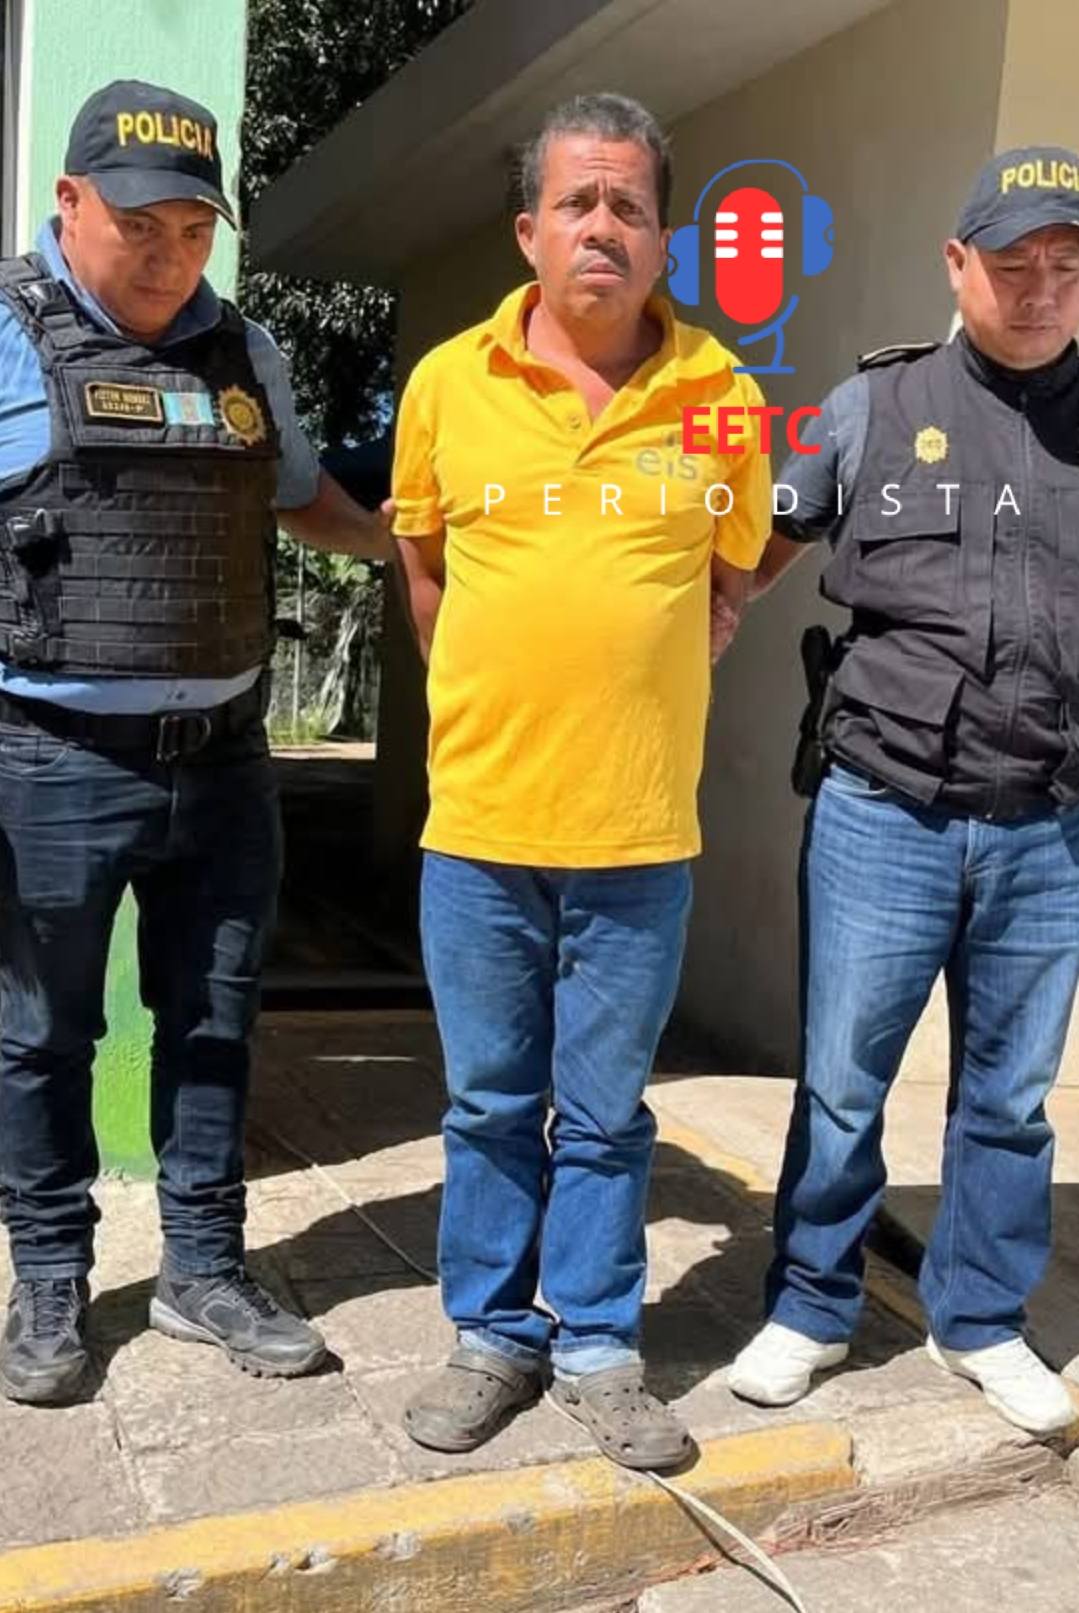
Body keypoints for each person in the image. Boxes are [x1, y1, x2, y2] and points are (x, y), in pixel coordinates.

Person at [392, 93, 770, 1470]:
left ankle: (601, 1345)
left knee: (607, 1113)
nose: (601, 225)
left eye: (628, 205)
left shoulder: (724, 397)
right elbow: (423, 571)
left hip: (638, 830)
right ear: (529, 231)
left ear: (663, 239)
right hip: (480, 827)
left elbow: (733, 575)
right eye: (576, 202)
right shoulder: (447, 384)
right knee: (491, 1101)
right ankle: (492, 1334)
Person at [0, 79, 392, 1404]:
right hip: (46, 758)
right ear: (68, 203)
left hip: (224, 762)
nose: (170, 258)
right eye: (139, 227)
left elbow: (303, 498)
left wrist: (408, 551)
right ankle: (49, 1274)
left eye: (192, 230)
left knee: (215, 1021)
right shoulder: (7, 330)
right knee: (40, 1033)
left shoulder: (243, 351)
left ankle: (205, 1269)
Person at [728, 147, 1079, 1436]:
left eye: (1067, 266)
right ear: (957, 266)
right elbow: (749, 555)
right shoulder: (871, 409)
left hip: (1051, 820)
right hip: (885, 809)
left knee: (1010, 1098)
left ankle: (980, 1319)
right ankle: (811, 1306)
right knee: (842, 1081)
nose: (1040, 289)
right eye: (1013, 263)